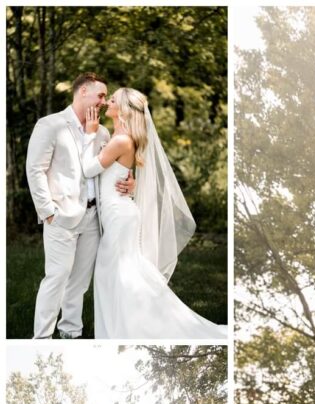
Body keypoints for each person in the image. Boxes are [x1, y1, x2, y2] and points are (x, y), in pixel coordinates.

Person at [78, 87, 226, 338]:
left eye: (112, 100)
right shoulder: (121, 136)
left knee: (118, 273)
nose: (107, 103)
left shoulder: (121, 140)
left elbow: (88, 169)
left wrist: (89, 135)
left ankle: (131, 328)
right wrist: (131, 182)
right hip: (120, 213)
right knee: (119, 272)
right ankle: (126, 324)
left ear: (123, 109)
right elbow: (120, 173)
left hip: (119, 215)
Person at [25, 72, 135, 339]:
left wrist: (131, 183)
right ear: (82, 91)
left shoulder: (104, 132)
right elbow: (35, 170)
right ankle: (41, 339)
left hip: (94, 217)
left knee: (79, 283)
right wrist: (48, 212)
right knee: (57, 278)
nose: (102, 101)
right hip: (61, 216)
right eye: (100, 95)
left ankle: (71, 333)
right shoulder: (50, 125)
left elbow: (111, 169)